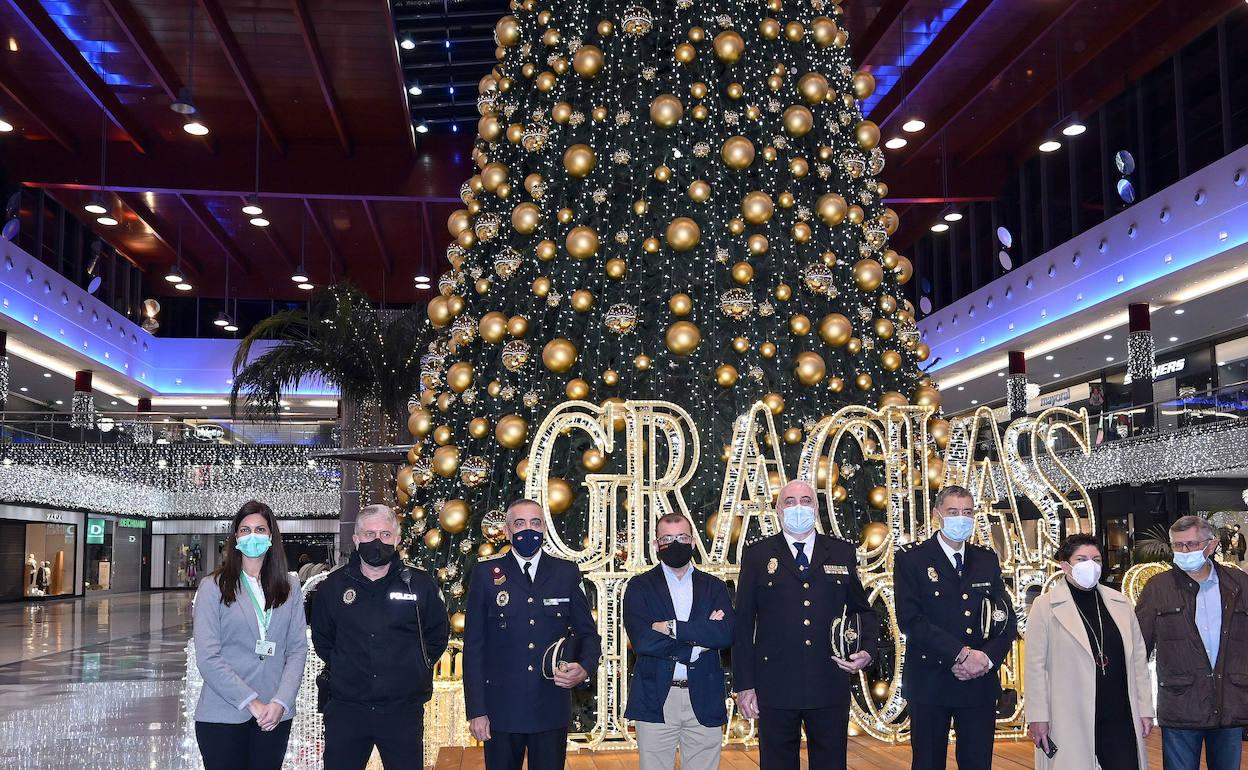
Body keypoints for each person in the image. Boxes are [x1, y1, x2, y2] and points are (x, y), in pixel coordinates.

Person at [732, 479, 879, 770]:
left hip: (828, 681)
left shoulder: (840, 552)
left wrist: (867, 649)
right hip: (774, 686)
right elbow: (743, 623)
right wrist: (745, 685)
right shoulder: (758, 555)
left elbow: (863, 611)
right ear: (778, 510)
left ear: (816, 507)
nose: (798, 507)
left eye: (805, 501)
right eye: (789, 502)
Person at [463, 498, 602, 770]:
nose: (529, 530)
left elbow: (589, 635)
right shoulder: (485, 574)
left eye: (535, 523)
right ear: (507, 531)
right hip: (501, 709)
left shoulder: (565, 573)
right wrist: (477, 711)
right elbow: (474, 647)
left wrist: (584, 668)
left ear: (544, 529)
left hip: (549, 705)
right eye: (520, 523)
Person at [310, 504, 449, 770]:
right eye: (369, 534)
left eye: (385, 534)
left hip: (402, 710)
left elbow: (436, 635)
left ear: (397, 539)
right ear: (356, 539)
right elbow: (323, 640)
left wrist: (413, 666)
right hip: (347, 709)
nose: (377, 541)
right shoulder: (333, 586)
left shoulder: (419, 584)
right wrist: (348, 668)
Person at [895, 485, 1018, 770]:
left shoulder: (986, 559)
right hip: (930, 681)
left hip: (978, 681)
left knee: (977, 763)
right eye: (953, 512)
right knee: (927, 762)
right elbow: (911, 619)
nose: (961, 518)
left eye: (967, 512)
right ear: (938, 514)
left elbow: (1005, 619)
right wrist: (961, 654)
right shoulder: (912, 559)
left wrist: (985, 659)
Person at [193, 500, 308, 770]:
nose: (252, 536)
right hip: (223, 714)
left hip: (275, 714)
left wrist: (280, 701)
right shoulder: (213, 587)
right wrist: (251, 702)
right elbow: (208, 657)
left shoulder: (290, 586)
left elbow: (297, 649)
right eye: (245, 530)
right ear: (235, 538)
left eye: (260, 529)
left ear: (271, 536)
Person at [1024, 533, 1154, 769]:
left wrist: (1145, 709)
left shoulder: (1120, 603)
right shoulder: (1045, 607)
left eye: (1096, 559)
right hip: (1069, 711)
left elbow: (1137, 661)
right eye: (1081, 559)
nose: (1090, 565)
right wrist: (1037, 716)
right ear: (1065, 565)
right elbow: (1035, 668)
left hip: (1119, 710)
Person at [624, 513, 735, 770]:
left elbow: (725, 634)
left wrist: (672, 628)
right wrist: (696, 645)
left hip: (705, 696)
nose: (675, 544)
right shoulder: (639, 586)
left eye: (682, 537)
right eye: (667, 539)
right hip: (656, 696)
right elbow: (642, 641)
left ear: (693, 542)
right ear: (656, 545)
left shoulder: (714, 586)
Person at [1136, 515, 1248, 770]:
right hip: (1180, 705)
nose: (1184, 551)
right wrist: (1140, 705)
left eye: (1191, 544)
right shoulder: (1158, 588)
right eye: (1178, 545)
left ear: (1210, 545)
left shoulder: (1239, 584)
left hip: (1229, 703)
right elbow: (1138, 650)